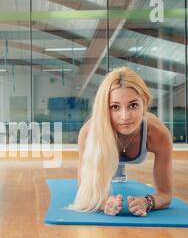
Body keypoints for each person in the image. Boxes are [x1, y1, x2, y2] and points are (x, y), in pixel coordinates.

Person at [68, 66, 172, 217]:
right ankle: (116, 168)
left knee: (116, 168)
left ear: (145, 103)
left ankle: (118, 168)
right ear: (105, 108)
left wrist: (146, 202)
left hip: (130, 145)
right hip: (108, 151)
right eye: (115, 107)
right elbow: (85, 190)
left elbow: (165, 195)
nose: (125, 116)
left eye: (133, 105)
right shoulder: (88, 133)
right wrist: (103, 204)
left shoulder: (158, 134)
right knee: (110, 168)